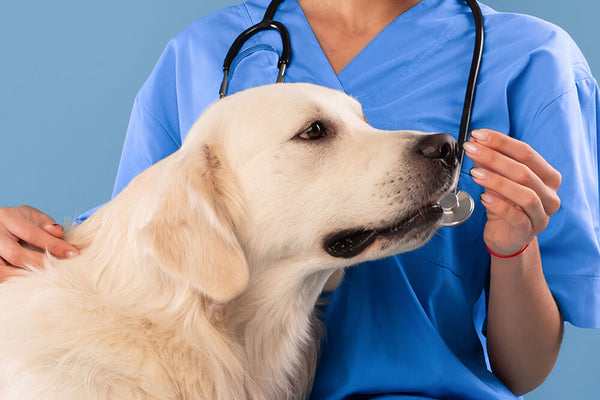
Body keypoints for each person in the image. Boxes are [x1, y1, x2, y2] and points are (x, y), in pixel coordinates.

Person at [0, 0, 598, 398]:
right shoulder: (204, 49)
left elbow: (526, 370)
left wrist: (516, 250)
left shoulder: (530, 59)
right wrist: (18, 249)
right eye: (315, 133)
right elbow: (138, 260)